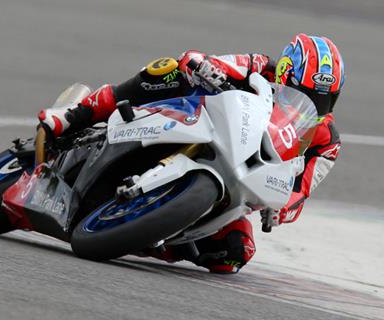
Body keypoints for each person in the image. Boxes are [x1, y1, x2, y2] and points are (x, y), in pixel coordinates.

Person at [39, 33, 344, 273]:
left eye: (322, 98)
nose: (312, 103)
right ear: (284, 73)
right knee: (167, 70)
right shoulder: (258, 66)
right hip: (191, 119)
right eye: (305, 92)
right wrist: (204, 66)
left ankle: (153, 237)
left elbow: (300, 192)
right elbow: (205, 61)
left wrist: (281, 208)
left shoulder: (327, 140)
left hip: (241, 182)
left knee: (235, 254)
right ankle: (76, 114)